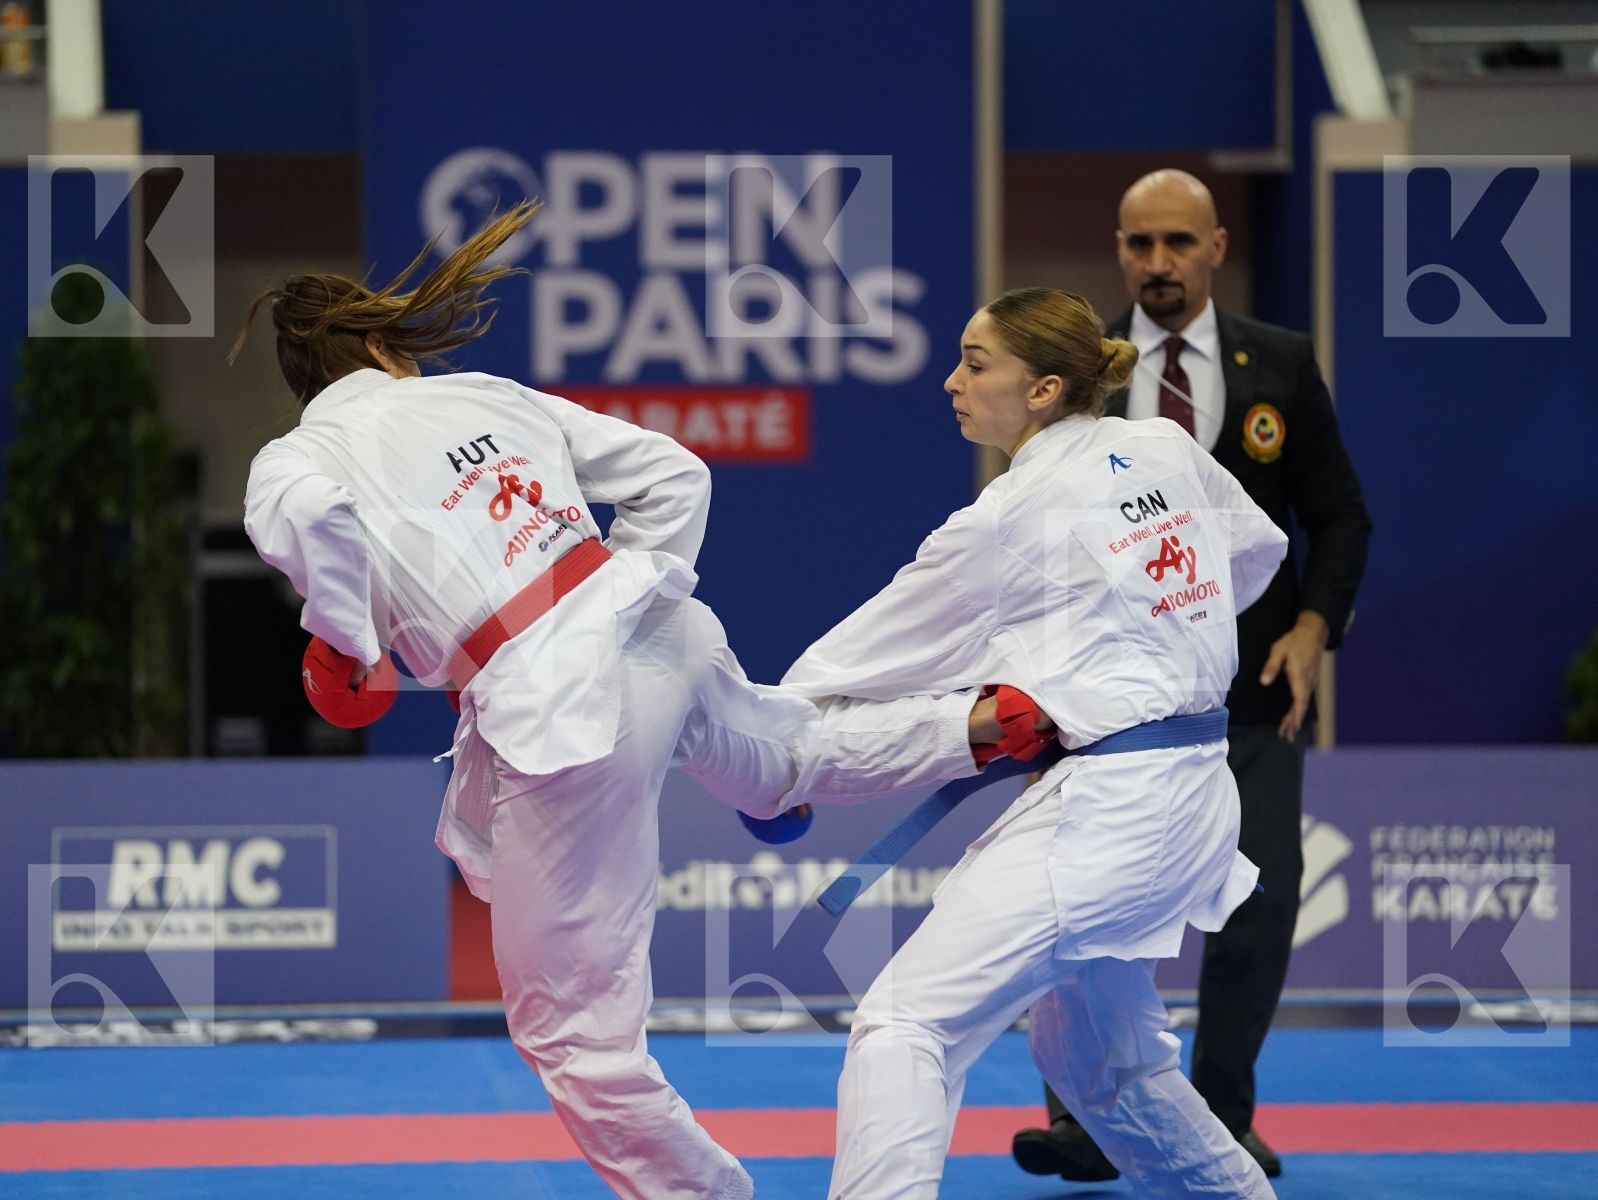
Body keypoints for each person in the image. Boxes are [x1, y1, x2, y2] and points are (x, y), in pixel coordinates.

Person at [232, 201, 990, 1200]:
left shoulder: (295, 458)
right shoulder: (485, 397)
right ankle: (984, 724)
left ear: (305, 383)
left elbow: (316, 516)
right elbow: (676, 472)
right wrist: (627, 596)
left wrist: (348, 641)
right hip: (645, 619)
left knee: (566, 1029)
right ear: (381, 347)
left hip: (561, 703)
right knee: (788, 756)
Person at [781, 286, 1289, 1199]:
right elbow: (1253, 555)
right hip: (1193, 787)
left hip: (1114, 809)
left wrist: (769, 750)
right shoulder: (1168, 448)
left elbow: (849, 661)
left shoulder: (1009, 514)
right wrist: (1145, 640)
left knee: (906, 1026)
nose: (951, 382)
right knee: (1101, 1061)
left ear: (1047, 387)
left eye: (976, 364)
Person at [1012, 170, 1372, 1181]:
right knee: (1084, 902)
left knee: (1258, 904)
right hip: (1107, 700)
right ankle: (1088, 1121)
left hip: (1253, 686)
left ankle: (1215, 1113)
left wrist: (1312, 625)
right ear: (1118, 251)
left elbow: (1338, 516)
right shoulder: (1079, 372)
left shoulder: (1281, 367)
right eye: (1137, 246)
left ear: (1214, 246)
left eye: (1176, 243)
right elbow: (1035, 537)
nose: (1156, 265)